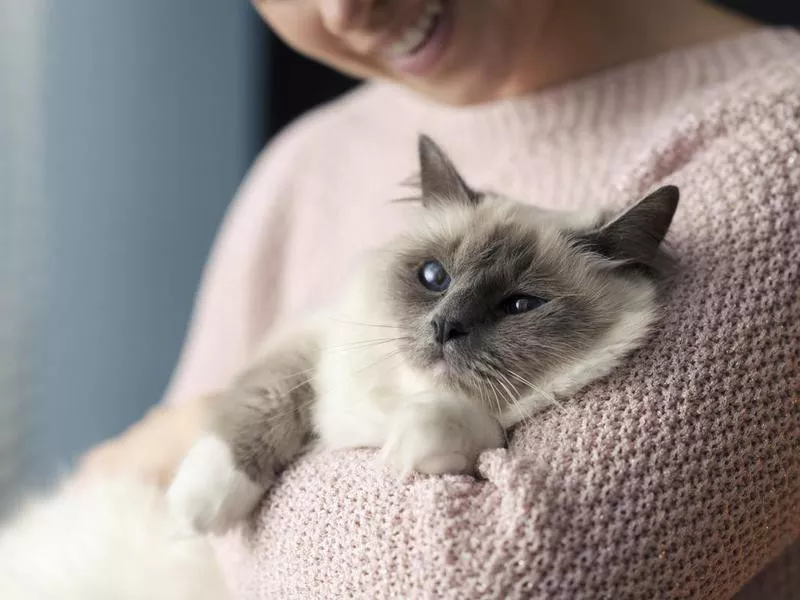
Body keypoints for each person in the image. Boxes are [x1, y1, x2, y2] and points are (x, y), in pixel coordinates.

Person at [79, 0, 800, 597]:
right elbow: (147, 516)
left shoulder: (774, 146)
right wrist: (229, 437)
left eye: (515, 307)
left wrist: (197, 438)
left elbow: (479, 580)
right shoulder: (307, 162)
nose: (344, 9)